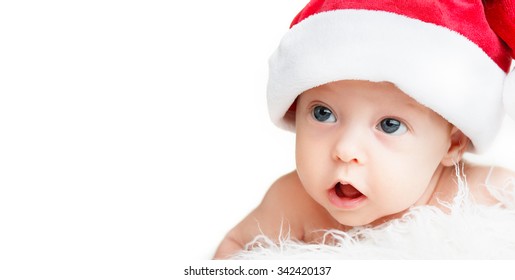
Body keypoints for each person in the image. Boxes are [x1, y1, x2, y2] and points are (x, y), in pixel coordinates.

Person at [214, 0, 515, 259]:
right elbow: (234, 249)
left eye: (390, 125)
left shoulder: (486, 193)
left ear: (454, 143)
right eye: (323, 113)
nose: (345, 149)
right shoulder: (292, 203)